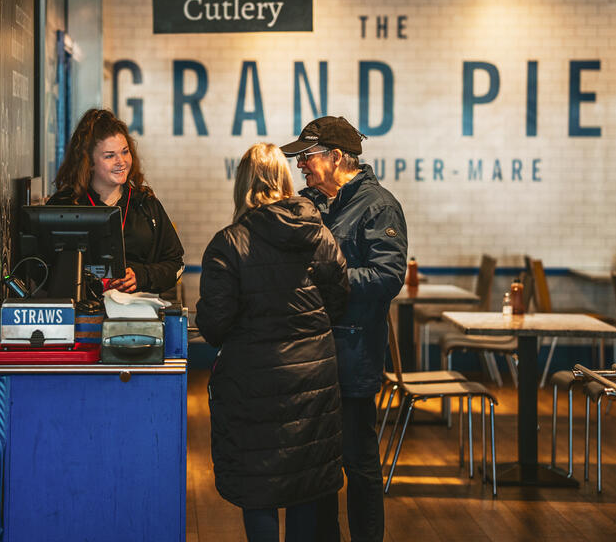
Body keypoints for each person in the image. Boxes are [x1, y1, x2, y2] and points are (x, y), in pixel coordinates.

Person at [196, 143, 349, 542]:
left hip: (254, 386)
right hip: (312, 380)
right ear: (283, 181)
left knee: (258, 488)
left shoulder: (229, 244)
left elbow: (214, 325)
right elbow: (339, 300)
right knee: (304, 485)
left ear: (242, 184)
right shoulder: (319, 235)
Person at [280, 116, 408, 542]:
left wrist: (326, 277)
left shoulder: (378, 206)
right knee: (319, 468)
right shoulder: (314, 203)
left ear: (337, 158)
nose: (301, 165)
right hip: (312, 359)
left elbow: (388, 277)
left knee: (359, 465)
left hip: (353, 360)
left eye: (308, 156)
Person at [47, 108, 183, 295]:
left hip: (135, 314)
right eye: (110, 156)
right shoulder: (64, 205)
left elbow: (175, 264)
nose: (121, 162)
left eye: (125, 152)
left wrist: (142, 276)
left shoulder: (146, 204)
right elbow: (42, 269)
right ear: (90, 163)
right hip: (79, 315)